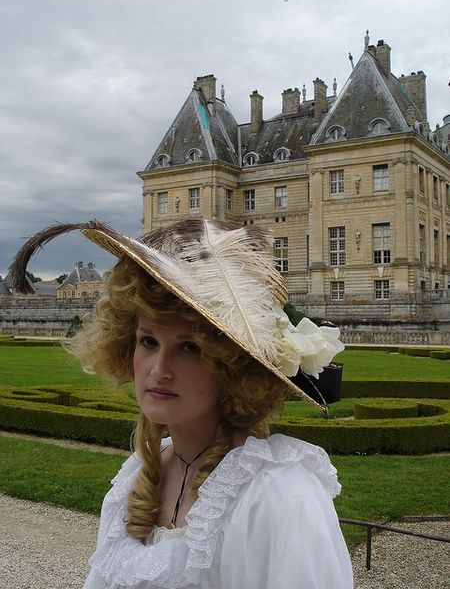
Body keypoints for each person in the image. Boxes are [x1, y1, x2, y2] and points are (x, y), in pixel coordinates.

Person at [11, 218, 353, 588]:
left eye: (189, 348)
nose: (159, 370)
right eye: (148, 342)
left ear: (232, 366)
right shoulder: (134, 479)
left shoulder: (276, 494)